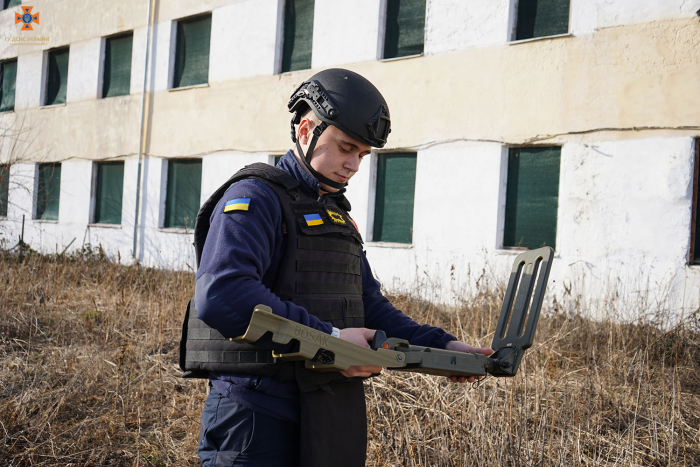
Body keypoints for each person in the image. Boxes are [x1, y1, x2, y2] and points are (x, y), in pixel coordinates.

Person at [186, 68, 492, 467]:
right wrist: (331, 339)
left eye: (362, 155)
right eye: (346, 148)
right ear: (306, 129)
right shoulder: (255, 198)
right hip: (255, 419)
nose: (354, 165)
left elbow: (368, 306)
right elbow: (222, 294)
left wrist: (444, 347)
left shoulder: (335, 215)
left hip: (326, 416)